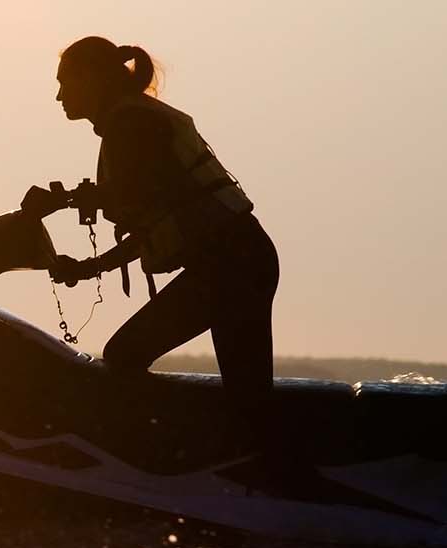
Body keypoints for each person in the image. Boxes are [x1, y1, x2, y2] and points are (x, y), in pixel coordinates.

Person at [22, 36, 280, 438]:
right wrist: (91, 268)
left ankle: (157, 451)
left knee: (124, 354)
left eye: (65, 82)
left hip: (231, 268)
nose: (58, 96)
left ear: (92, 78)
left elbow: (141, 191)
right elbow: (157, 220)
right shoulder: (130, 122)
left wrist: (63, 199)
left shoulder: (132, 123)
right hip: (241, 262)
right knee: (248, 397)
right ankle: (262, 468)